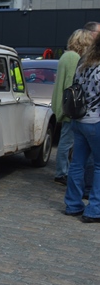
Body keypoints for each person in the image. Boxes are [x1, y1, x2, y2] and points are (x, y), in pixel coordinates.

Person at [63, 35, 100, 221]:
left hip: (79, 120)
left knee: (77, 164)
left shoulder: (83, 65)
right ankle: (94, 209)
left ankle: (72, 204)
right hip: (96, 121)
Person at [52, 28, 94, 184]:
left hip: (65, 105)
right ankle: (61, 172)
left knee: (66, 140)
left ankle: (62, 171)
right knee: (67, 141)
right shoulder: (73, 57)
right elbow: (72, 83)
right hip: (70, 107)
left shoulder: (67, 55)